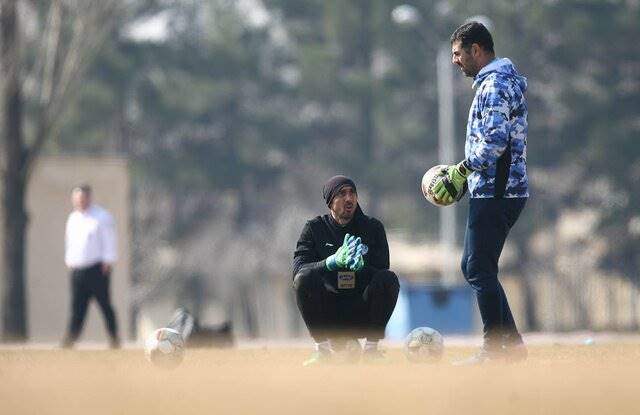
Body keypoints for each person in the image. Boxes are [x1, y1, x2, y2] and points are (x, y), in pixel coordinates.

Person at [432, 22, 529, 364]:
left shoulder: (495, 84)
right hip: (495, 190)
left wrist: (461, 170)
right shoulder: (494, 82)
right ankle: (512, 344)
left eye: (458, 53)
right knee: (473, 265)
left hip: (497, 191)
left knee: (478, 267)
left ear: (477, 49)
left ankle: (495, 348)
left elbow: (495, 141)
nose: (455, 61)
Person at [292, 175, 399, 366]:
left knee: (389, 279)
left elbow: (383, 274)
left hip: (361, 310)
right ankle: (323, 352)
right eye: (342, 194)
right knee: (304, 279)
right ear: (330, 201)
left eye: (352, 193)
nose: (349, 199)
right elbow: (299, 271)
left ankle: (371, 352)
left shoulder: (373, 228)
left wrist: (362, 268)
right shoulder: (314, 229)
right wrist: (330, 262)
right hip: (327, 315)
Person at [62, 185, 120, 349]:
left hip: (97, 269)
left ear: (89, 198)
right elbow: (70, 242)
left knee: (105, 306)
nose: (80, 201)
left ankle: (114, 338)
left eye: (83, 198)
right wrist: (70, 261)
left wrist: (108, 261)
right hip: (77, 270)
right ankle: (70, 340)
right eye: (77, 198)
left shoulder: (101, 217)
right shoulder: (72, 218)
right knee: (77, 308)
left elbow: (110, 240)